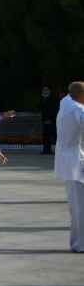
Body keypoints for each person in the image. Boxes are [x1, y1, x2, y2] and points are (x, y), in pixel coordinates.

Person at [56, 81, 84, 252]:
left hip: (68, 160)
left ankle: (77, 242)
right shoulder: (78, 110)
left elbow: (70, 95)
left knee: (76, 205)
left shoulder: (65, 103)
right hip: (76, 162)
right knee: (80, 206)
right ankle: (80, 244)